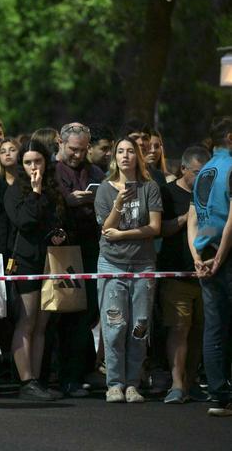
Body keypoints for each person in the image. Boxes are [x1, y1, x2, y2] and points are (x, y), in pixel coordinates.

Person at [94, 136, 162, 404]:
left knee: (139, 325)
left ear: (138, 156)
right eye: (120, 152)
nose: (125, 156)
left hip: (143, 263)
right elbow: (105, 229)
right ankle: (114, 383)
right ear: (114, 157)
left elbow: (154, 228)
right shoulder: (104, 189)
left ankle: (133, 383)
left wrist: (123, 235)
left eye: (130, 152)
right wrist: (120, 201)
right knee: (114, 325)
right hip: (111, 263)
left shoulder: (150, 188)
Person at [3, 140, 67, 401]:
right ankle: (26, 380)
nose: (33, 167)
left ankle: (37, 380)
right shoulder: (15, 190)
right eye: (28, 162)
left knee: (42, 323)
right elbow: (24, 221)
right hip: (24, 261)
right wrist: (35, 191)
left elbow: (57, 219)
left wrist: (60, 233)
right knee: (27, 320)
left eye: (37, 162)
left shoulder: (53, 189)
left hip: (48, 259)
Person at [54, 123, 105, 397]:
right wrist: (68, 201)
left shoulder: (95, 171)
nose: (77, 155)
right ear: (60, 144)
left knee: (87, 314)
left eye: (83, 150)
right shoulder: (52, 171)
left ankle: (82, 371)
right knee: (65, 314)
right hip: (62, 250)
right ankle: (65, 377)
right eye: (73, 149)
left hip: (90, 247)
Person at [187, 117, 232, 417]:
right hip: (226, 255)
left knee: (214, 328)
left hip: (206, 253)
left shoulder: (203, 170)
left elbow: (192, 219)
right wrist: (220, 258)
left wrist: (198, 257)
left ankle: (218, 395)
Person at [159, 146, 210, 404]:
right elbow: (160, 229)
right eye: (197, 173)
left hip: (205, 275)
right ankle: (177, 384)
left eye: (207, 173)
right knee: (179, 328)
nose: (202, 179)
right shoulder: (168, 193)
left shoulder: (211, 194)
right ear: (183, 169)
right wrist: (186, 218)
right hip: (176, 273)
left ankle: (191, 382)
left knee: (200, 330)